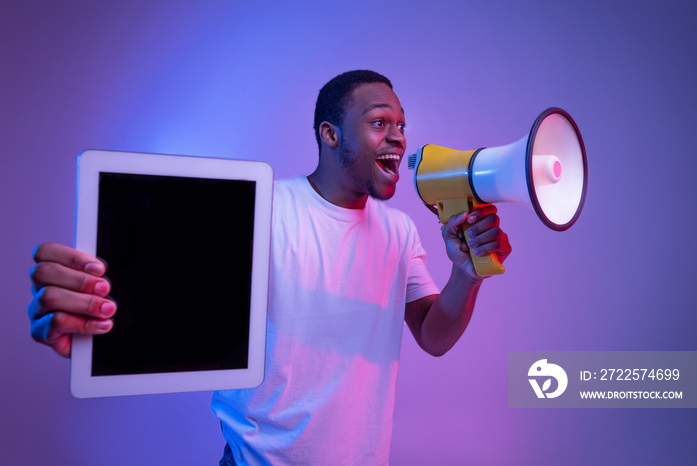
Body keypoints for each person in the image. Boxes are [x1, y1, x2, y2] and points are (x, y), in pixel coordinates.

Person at [28, 70, 511, 465]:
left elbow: (434, 335)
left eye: (402, 126)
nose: (399, 139)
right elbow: (172, 304)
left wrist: (466, 275)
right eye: (381, 123)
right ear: (330, 133)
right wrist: (93, 320)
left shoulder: (400, 230)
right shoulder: (260, 208)